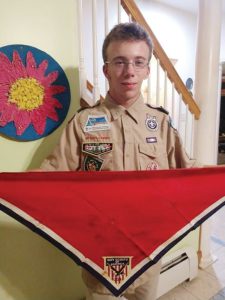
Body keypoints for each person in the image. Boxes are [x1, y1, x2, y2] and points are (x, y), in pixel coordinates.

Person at [40, 22, 198, 300]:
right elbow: (49, 178)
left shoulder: (160, 123)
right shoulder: (83, 123)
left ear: (148, 70)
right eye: (120, 62)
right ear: (106, 69)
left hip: (149, 253)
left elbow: (190, 176)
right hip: (99, 256)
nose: (129, 71)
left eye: (139, 62)